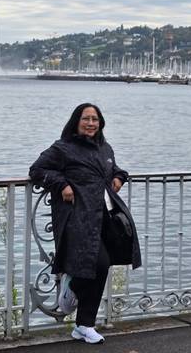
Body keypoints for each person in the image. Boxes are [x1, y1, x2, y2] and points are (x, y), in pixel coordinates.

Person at [29, 102, 141, 345]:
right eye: (85, 119)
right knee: (99, 264)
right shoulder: (63, 148)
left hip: (104, 217)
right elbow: (37, 169)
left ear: (100, 123)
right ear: (76, 122)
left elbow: (115, 170)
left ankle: (84, 326)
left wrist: (120, 178)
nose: (90, 123)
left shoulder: (105, 148)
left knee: (102, 265)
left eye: (95, 119)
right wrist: (62, 184)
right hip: (78, 218)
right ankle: (71, 286)